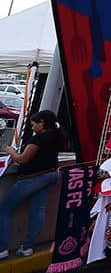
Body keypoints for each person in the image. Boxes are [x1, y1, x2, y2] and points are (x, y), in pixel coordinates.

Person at [0, 111, 65, 259]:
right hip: (51, 175)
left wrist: (11, 151)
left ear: (42, 123)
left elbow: (22, 159)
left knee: (4, 209)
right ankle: (27, 246)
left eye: (33, 124)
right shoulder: (57, 136)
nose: (32, 127)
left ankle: (2, 248)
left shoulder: (39, 139)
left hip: (32, 178)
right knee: (37, 210)